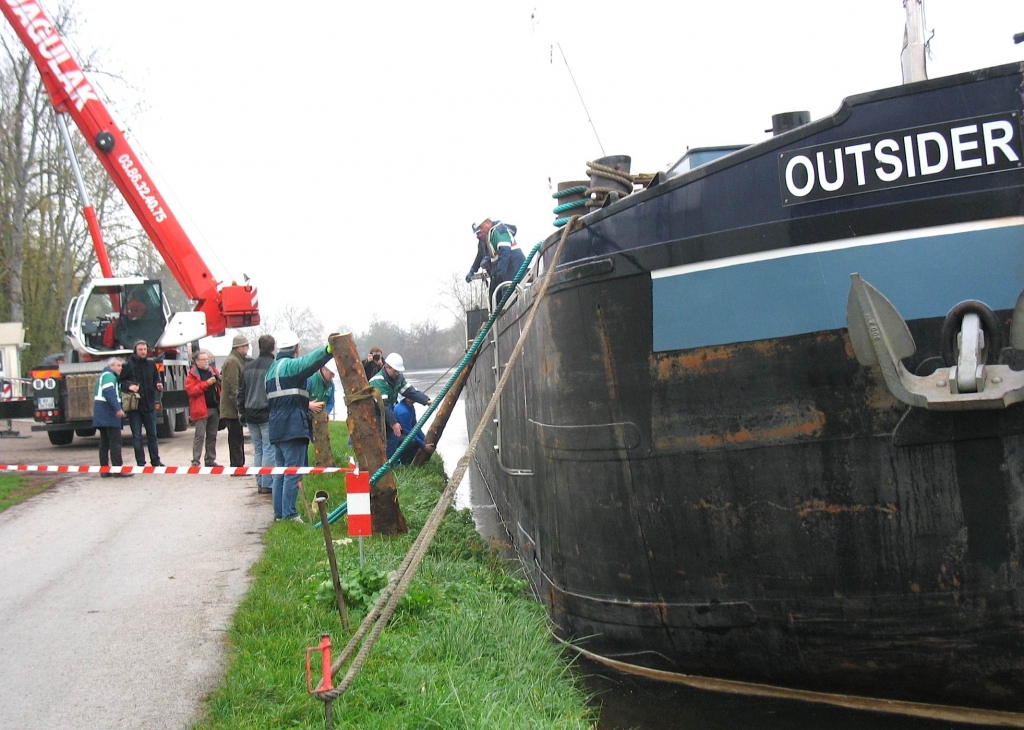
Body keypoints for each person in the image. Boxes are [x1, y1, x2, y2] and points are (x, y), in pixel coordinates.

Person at [266, 330, 333, 522]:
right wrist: (328, 350)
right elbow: (310, 362)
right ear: (296, 348)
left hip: (276, 427)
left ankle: (279, 514)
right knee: (293, 472)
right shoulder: (291, 366)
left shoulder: (271, 370)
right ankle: (289, 514)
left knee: (280, 472)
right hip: (292, 427)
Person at [368, 352, 432, 461]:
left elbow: (410, 391)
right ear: (387, 367)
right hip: (376, 415)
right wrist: (394, 423)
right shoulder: (378, 381)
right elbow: (384, 404)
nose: (397, 373)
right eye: (395, 371)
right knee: (380, 440)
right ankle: (383, 464)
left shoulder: (397, 378)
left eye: (398, 371)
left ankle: (389, 464)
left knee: (393, 437)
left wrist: (426, 400)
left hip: (387, 412)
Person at [238, 334, 276, 494]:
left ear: (259, 347)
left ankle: (260, 481)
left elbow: (241, 391)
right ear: (273, 347)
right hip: (266, 412)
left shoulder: (247, 367)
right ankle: (267, 483)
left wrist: (242, 411)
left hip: (250, 412)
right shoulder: (273, 366)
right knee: (268, 448)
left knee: (258, 449)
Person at [119, 340, 165, 467]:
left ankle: (156, 461)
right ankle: (141, 463)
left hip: (149, 404)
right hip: (135, 406)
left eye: (145, 349)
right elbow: (121, 381)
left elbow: (157, 378)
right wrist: (130, 386)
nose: (143, 352)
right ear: (135, 350)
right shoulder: (128, 365)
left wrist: (158, 385)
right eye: (140, 349)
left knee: (152, 435)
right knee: (137, 436)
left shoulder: (151, 363)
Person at [467, 218, 526, 301]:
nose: (478, 235)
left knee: (508, 296)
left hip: (512, 267)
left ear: (487, 223)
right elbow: (479, 255)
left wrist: (501, 272)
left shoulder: (498, 231)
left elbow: (505, 250)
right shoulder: (485, 239)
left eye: (480, 231)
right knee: (497, 297)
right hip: (502, 270)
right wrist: (472, 270)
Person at [93, 357, 131, 478]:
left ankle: (104, 469)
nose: (121, 368)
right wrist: (118, 409)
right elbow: (109, 392)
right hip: (109, 413)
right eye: (118, 365)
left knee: (104, 442)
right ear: (111, 366)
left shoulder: (104, 375)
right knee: (115, 442)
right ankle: (117, 469)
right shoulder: (109, 376)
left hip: (102, 413)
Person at [219, 334, 250, 470]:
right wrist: (238, 408)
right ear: (239, 347)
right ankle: (236, 466)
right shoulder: (232, 361)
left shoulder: (238, 360)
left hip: (234, 408)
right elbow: (233, 387)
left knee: (238, 437)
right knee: (235, 438)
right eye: (246, 346)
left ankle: (239, 464)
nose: (247, 349)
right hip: (232, 409)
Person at [186, 350, 221, 467]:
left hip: (214, 408)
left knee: (212, 436)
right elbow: (191, 391)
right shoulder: (192, 375)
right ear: (196, 362)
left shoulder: (213, 371)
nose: (207, 362)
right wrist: (206, 383)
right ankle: (195, 461)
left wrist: (218, 381)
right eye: (204, 360)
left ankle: (210, 460)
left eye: (207, 359)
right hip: (201, 409)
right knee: (199, 436)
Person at [391, 395, 435, 465]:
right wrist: (424, 446)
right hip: (394, 437)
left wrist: (424, 440)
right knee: (411, 441)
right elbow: (409, 433)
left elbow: (416, 427)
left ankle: (414, 461)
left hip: (404, 433)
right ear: (407, 399)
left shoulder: (410, 407)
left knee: (417, 442)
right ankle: (403, 462)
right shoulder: (403, 412)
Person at [307, 364, 336, 467]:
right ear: (324, 370)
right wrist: (309, 405)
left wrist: (326, 412)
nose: (333, 376)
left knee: (322, 441)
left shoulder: (331, 385)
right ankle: (303, 468)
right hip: (306, 417)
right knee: (303, 442)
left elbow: (331, 402)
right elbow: (300, 397)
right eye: (331, 373)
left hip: (320, 419)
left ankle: (324, 465)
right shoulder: (310, 380)